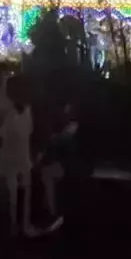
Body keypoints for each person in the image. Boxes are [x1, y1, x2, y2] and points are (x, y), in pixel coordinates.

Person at [0, 76, 34, 237]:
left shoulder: (17, 113)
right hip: (15, 159)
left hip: (15, 158)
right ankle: (17, 226)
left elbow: (1, 136)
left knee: (17, 194)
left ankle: (18, 226)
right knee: (17, 194)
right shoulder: (18, 113)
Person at [36, 100, 78, 233]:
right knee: (45, 174)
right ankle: (49, 213)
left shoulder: (73, 127)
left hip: (69, 164)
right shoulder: (68, 127)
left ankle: (51, 214)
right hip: (62, 162)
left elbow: (61, 144)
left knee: (46, 174)